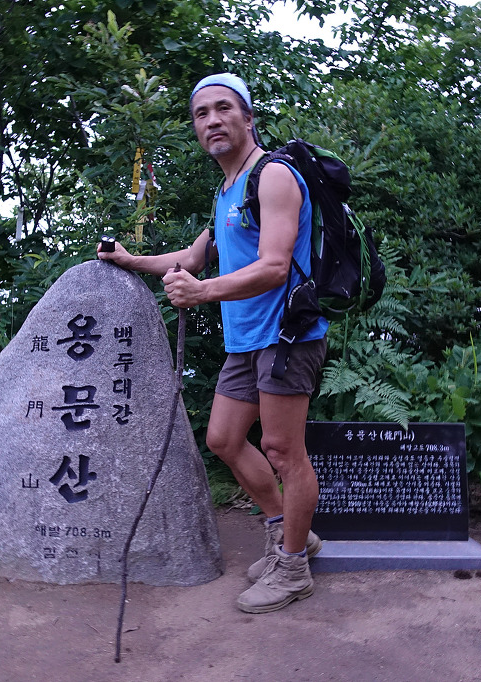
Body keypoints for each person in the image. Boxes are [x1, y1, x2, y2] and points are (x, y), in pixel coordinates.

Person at [97, 73, 327, 613]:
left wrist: (201, 293)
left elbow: (274, 266)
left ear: (248, 117)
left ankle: (293, 568)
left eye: (224, 109)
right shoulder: (228, 191)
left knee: (283, 450)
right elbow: (193, 258)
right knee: (223, 438)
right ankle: (288, 532)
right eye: (201, 114)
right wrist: (130, 260)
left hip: (288, 335)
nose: (212, 121)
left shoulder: (273, 176)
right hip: (246, 341)